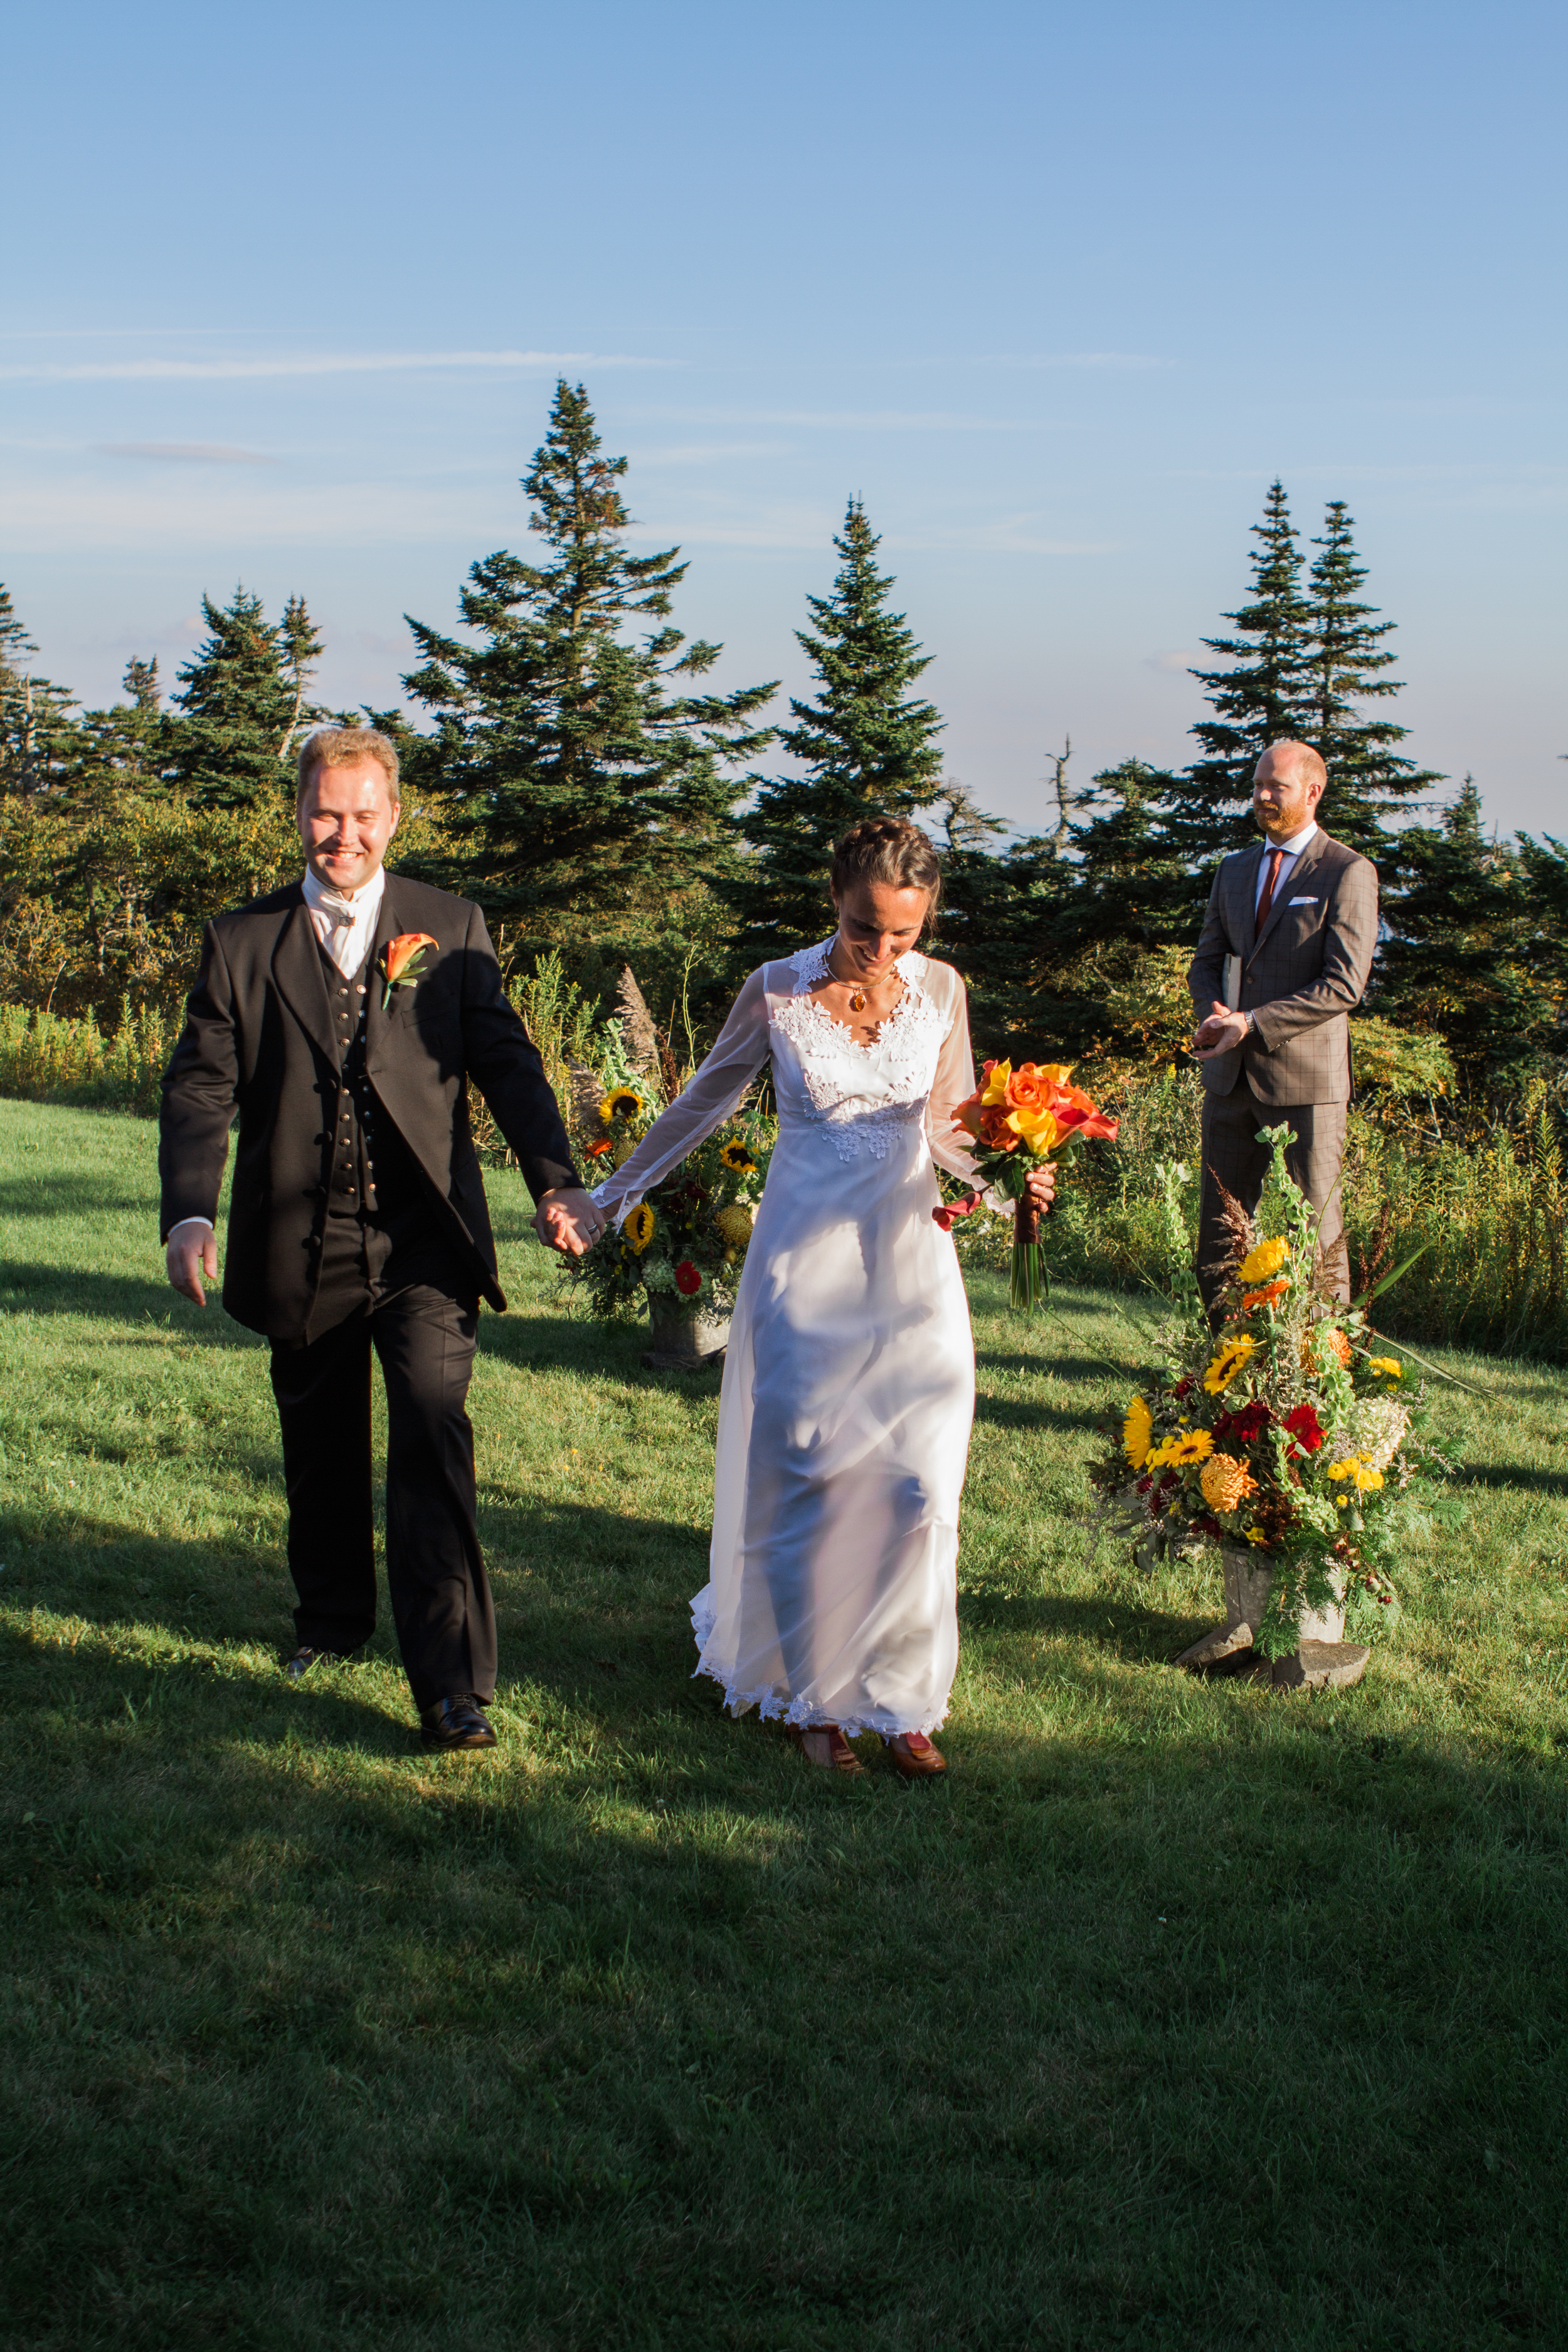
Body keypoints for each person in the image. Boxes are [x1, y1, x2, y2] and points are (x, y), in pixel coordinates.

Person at [158, 726, 605, 1751]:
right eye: (325, 813)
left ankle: (451, 1687)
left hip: (423, 1245)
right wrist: (192, 1209)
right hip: (297, 1238)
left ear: (394, 816)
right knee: (320, 1451)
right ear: (299, 813)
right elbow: (202, 1087)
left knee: (433, 1434)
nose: (343, 834)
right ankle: (330, 1619)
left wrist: (553, 1182)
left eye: (363, 815)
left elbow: (509, 1062)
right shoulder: (241, 942)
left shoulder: (450, 925)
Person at [589, 817, 1057, 1779]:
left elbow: (949, 1126)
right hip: (804, 1269)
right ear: (833, 899)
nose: (883, 950)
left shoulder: (942, 990)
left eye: (903, 933)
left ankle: (903, 1697)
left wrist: (1012, 1179)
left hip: (911, 1270)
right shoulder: (776, 988)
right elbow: (701, 1103)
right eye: (862, 929)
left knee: (920, 1488)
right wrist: (610, 1195)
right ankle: (815, 1701)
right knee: (811, 1477)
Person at [1187, 739, 1379, 1313]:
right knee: (1220, 1233)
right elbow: (1206, 962)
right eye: (1257, 786)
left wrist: (1252, 1021)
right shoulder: (1234, 870)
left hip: (1308, 1088)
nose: (1263, 796)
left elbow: (1344, 986)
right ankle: (1222, 1371)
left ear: (1313, 793)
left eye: (1277, 787)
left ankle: (1323, 1368)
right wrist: (1213, 1016)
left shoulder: (1348, 872)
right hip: (1229, 1079)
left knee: (1317, 1235)